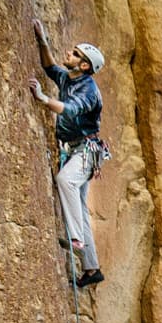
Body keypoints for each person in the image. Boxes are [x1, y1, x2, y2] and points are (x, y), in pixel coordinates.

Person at [29, 19, 107, 288]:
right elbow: (50, 67)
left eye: (75, 54)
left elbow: (70, 109)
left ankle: (76, 242)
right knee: (81, 209)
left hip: (87, 150)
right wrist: (42, 40)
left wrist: (43, 99)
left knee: (66, 181)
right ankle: (91, 267)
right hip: (75, 149)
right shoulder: (70, 76)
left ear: (84, 65)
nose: (69, 54)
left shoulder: (88, 89)